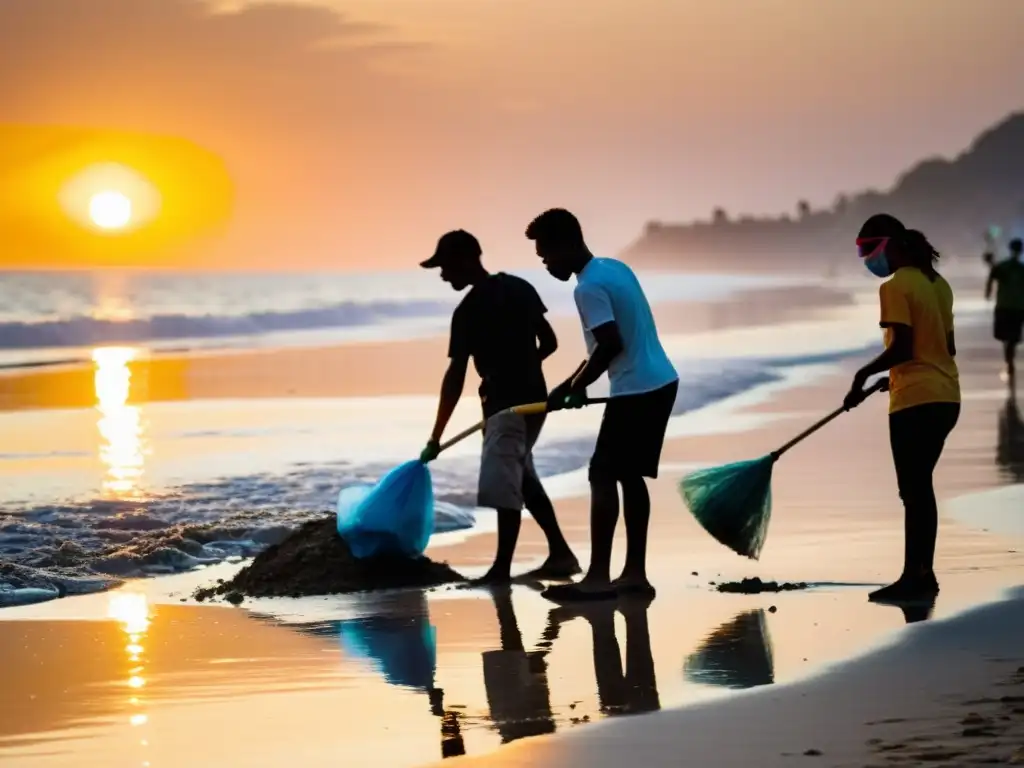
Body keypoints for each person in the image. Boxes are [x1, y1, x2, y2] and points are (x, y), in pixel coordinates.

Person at [525, 208, 679, 602]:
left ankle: (597, 577)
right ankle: (634, 575)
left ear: (566, 244)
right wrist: (566, 387)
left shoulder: (587, 288)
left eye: (546, 256)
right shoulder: (613, 268)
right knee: (630, 476)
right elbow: (603, 345)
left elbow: (611, 345)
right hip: (660, 381)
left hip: (635, 391)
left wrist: (580, 387)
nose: (545, 264)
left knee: (602, 474)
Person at [419, 229, 579, 583]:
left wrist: (435, 436)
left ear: (465, 259)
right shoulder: (520, 288)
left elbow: (455, 377)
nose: (443, 275)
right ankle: (561, 554)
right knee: (522, 476)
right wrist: (525, 368)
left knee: (506, 479)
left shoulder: (468, 311)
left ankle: (501, 570)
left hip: (504, 407)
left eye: (445, 266)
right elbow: (549, 342)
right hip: (536, 400)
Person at [844, 213, 960, 603]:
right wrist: (888, 378)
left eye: (868, 249)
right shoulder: (937, 284)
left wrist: (862, 373)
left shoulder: (896, 286)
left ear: (890, 244)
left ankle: (916, 576)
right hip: (946, 397)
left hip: (916, 401)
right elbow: (945, 346)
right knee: (919, 488)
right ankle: (921, 574)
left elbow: (905, 347)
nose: (867, 259)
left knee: (914, 490)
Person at [985, 237, 1024, 383]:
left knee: (1006, 338)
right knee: (1012, 338)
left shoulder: (1004, 267)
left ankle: (1009, 360)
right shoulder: (1021, 269)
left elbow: (992, 275)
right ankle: (1010, 360)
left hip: (1004, 306)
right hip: (1018, 307)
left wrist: (988, 292)